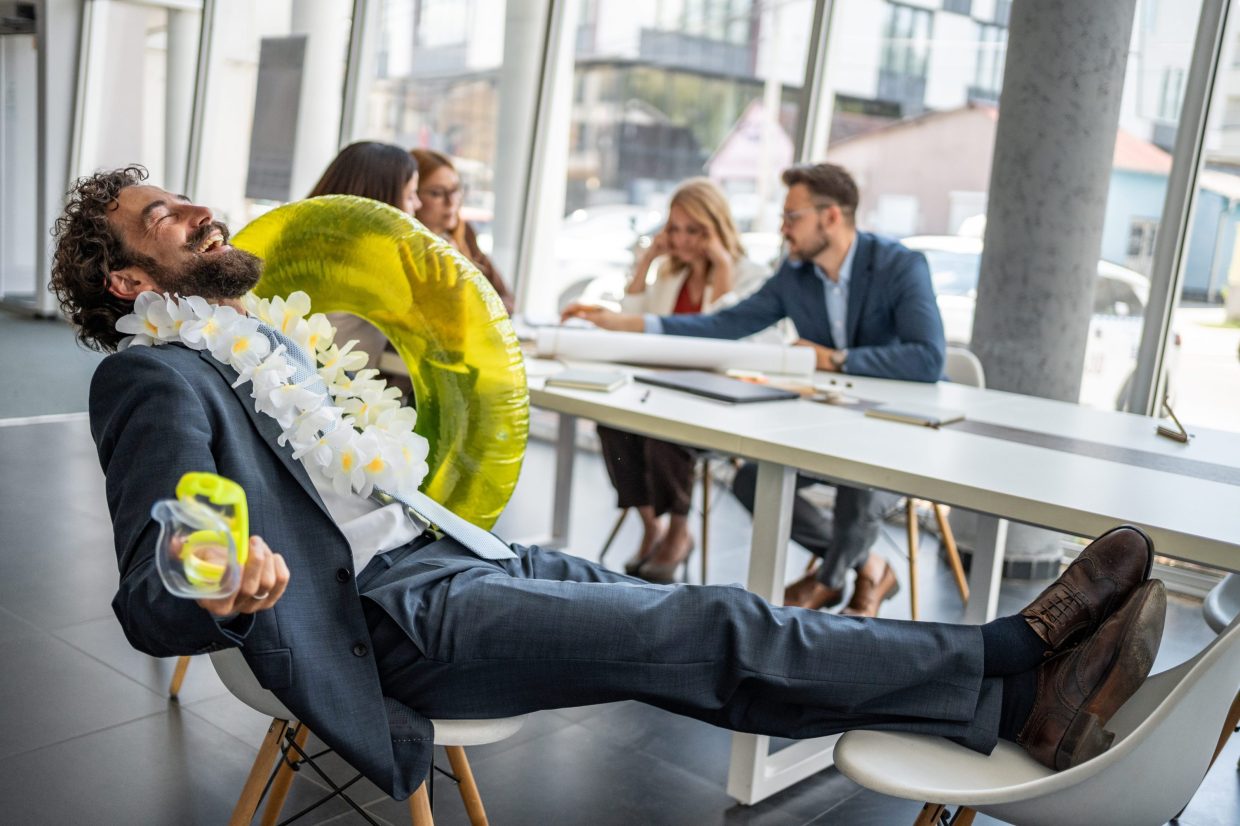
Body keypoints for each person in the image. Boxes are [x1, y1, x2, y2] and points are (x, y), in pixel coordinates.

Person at [51, 165, 1165, 802]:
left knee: (703, 633)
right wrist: (223, 586)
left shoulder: (265, 335)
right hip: (389, 614)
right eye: (162, 217)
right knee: (709, 624)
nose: (197, 210)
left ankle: (1010, 705)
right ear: (129, 281)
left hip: (451, 555)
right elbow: (156, 582)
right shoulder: (155, 374)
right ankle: (1010, 650)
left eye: (186, 196)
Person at [563, 163, 946, 616]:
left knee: (857, 480)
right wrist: (627, 323)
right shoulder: (795, 275)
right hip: (832, 425)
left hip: (897, 434)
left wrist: (837, 359)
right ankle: (870, 568)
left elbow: (928, 358)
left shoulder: (899, 266)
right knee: (751, 479)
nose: (783, 228)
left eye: (792, 217)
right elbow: (723, 325)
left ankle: (830, 581)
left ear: (830, 217)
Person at [599, 178, 770, 583]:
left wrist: (722, 267)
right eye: (674, 229)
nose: (681, 240)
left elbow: (723, 334)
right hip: (663, 391)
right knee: (612, 424)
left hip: (716, 402)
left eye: (694, 230)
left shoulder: (751, 276)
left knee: (664, 435)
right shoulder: (670, 275)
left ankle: (679, 531)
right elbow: (632, 322)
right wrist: (647, 261)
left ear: (717, 228)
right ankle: (651, 526)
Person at [306, 141, 421, 373]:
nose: (418, 204)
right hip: (338, 388)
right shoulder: (372, 262)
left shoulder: (308, 244)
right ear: (383, 203)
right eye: (410, 196)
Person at [411, 148, 516, 315]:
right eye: (437, 193)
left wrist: (479, 310)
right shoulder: (409, 249)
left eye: (455, 190)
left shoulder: (464, 233)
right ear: (412, 195)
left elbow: (506, 297)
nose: (451, 201)